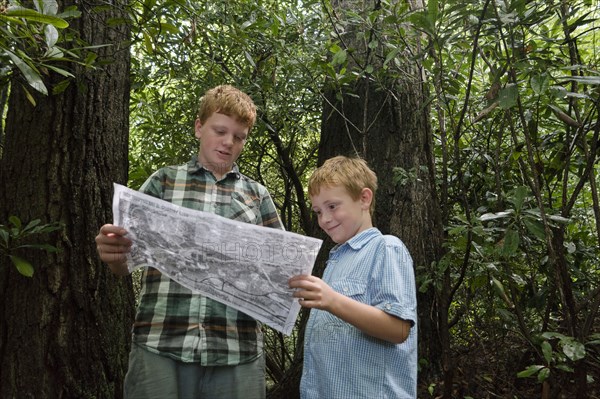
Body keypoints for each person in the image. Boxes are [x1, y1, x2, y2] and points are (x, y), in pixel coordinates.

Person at [95, 84, 283, 399]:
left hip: (237, 349)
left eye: (239, 137)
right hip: (161, 342)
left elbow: (279, 275)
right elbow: (123, 266)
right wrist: (113, 252)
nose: (228, 142)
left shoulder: (257, 196)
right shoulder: (163, 181)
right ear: (199, 127)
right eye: (219, 131)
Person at [288, 155, 418, 398]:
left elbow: (399, 329)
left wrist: (332, 300)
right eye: (318, 211)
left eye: (332, 206)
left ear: (364, 199)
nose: (324, 219)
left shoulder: (386, 248)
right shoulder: (334, 262)